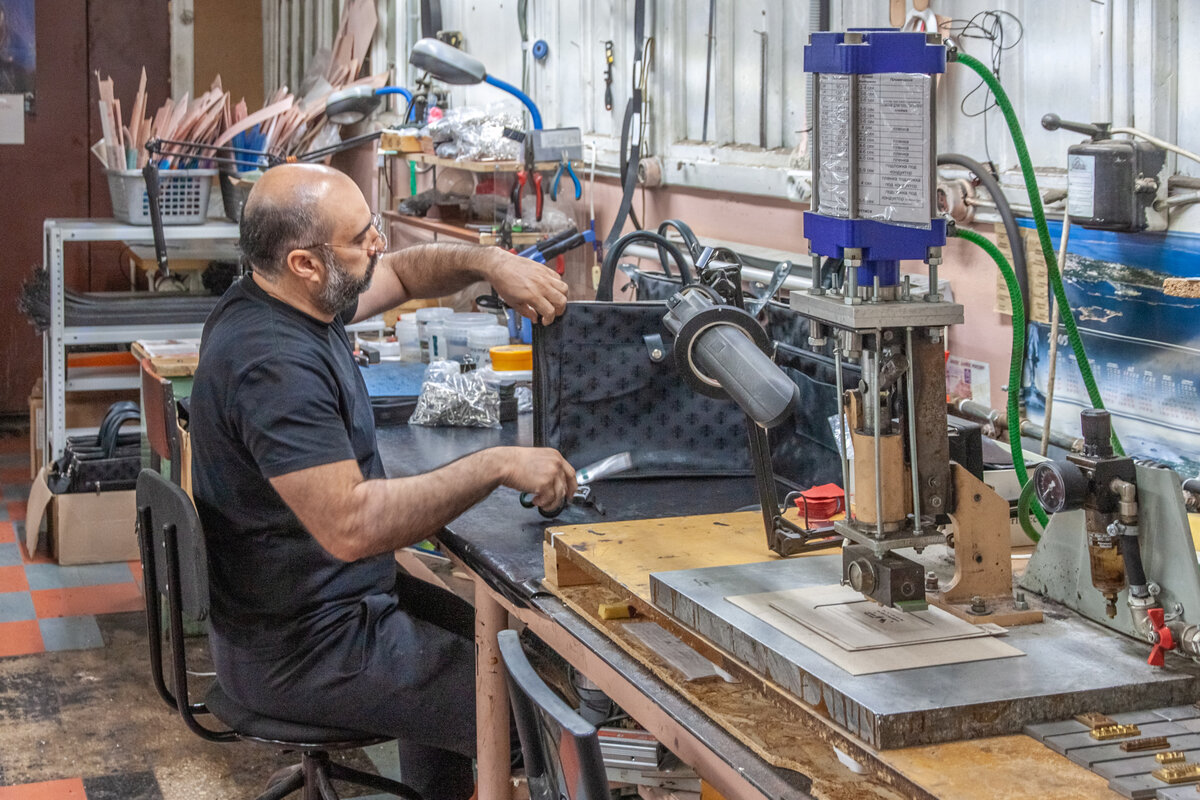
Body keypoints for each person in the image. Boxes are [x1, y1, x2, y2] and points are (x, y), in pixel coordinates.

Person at [189, 163, 577, 800]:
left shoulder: (282, 295)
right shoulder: (273, 363)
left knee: (505, 645)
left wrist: (490, 263)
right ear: (304, 263)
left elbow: (401, 273)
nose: (378, 243)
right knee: (529, 711)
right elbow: (353, 525)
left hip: (324, 602)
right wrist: (497, 464)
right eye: (360, 237)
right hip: (304, 647)